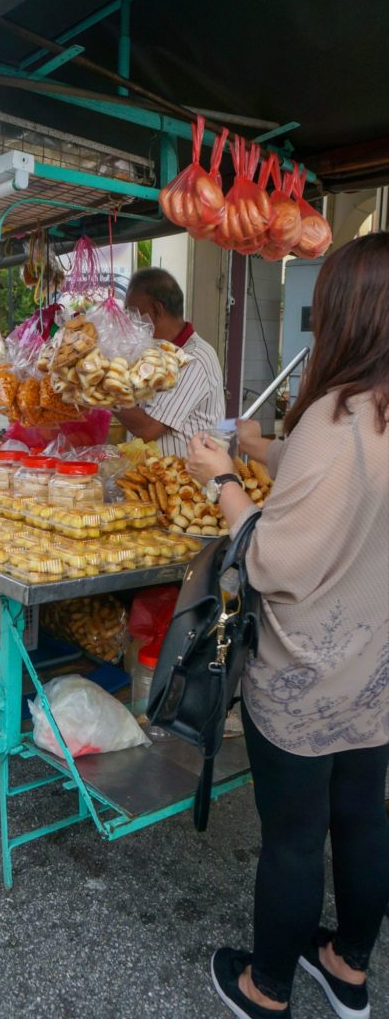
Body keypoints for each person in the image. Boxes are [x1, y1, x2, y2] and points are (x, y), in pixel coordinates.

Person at [186, 232, 389, 1019]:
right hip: (374, 668)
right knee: (362, 819)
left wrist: (222, 478)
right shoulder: (370, 413)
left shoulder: (334, 420)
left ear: (344, 314)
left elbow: (272, 560)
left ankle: (264, 989)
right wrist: (262, 448)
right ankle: (345, 966)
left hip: (307, 671)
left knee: (295, 837)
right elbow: (339, 488)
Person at [113, 267, 225, 456]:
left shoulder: (193, 358)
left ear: (157, 310)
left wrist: (104, 392)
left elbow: (148, 430)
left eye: (133, 313)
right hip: (148, 469)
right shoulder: (154, 353)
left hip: (184, 473)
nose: (131, 322)